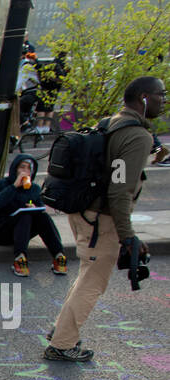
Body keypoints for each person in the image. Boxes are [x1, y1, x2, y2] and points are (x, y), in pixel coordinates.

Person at [47, 76, 164, 363]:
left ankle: (61, 331)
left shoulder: (112, 122)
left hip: (85, 211)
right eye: (161, 95)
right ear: (144, 98)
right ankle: (62, 344)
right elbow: (120, 188)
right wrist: (128, 235)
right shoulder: (137, 136)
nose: (165, 100)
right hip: (103, 219)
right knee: (93, 282)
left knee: (88, 273)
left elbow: (116, 170)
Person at [0, 154, 66, 277]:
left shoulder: (34, 188)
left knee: (40, 216)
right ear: (15, 169)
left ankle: (58, 255)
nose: (25, 171)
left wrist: (36, 208)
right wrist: (13, 187)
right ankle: (19, 259)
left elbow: (40, 209)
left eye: (29, 168)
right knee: (24, 215)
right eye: (22, 167)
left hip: (20, 233)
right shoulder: (1, 184)